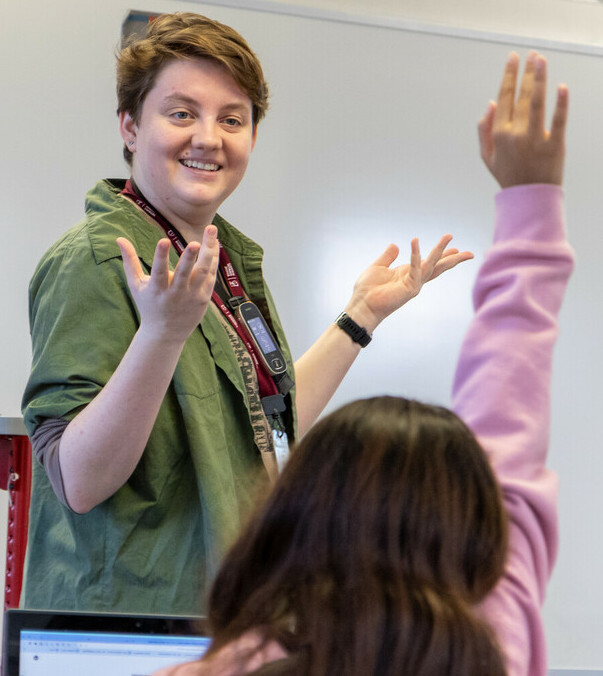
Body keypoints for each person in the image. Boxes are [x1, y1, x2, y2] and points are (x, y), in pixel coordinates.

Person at [20, 12, 471, 614]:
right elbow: (77, 481)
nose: (209, 137)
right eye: (181, 113)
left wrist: (359, 317)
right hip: (132, 633)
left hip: (228, 614)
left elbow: (268, 430)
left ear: (253, 138)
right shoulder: (100, 260)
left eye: (232, 119)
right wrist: (160, 335)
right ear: (130, 128)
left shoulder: (222, 258)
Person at [151, 50, 572, 676]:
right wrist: (531, 199)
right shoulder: (495, 638)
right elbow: (511, 402)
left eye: (232, 119)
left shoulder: (234, 665)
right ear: (484, 533)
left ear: (298, 522)